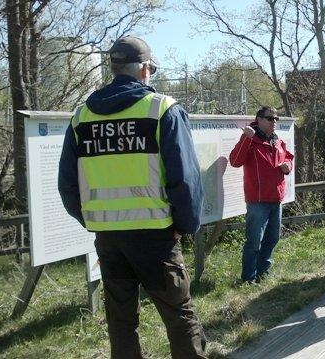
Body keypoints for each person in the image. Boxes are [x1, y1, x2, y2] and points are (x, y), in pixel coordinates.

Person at [58, 36, 207, 358]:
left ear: (114, 68)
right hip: (157, 235)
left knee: (121, 319)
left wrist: (94, 219)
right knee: (178, 315)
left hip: (109, 237)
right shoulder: (162, 109)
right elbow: (185, 179)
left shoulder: (82, 117)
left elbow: (67, 186)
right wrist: (185, 225)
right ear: (145, 70)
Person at [229, 106, 294, 284]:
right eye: (270, 118)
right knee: (254, 242)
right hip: (257, 201)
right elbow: (234, 161)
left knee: (272, 238)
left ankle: (262, 273)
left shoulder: (277, 140)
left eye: (276, 119)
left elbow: (288, 157)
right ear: (259, 119)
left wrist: (288, 165)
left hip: (276, 198)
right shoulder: (251, 139)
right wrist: (246, 138)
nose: (274, 122)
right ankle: (248, 278)